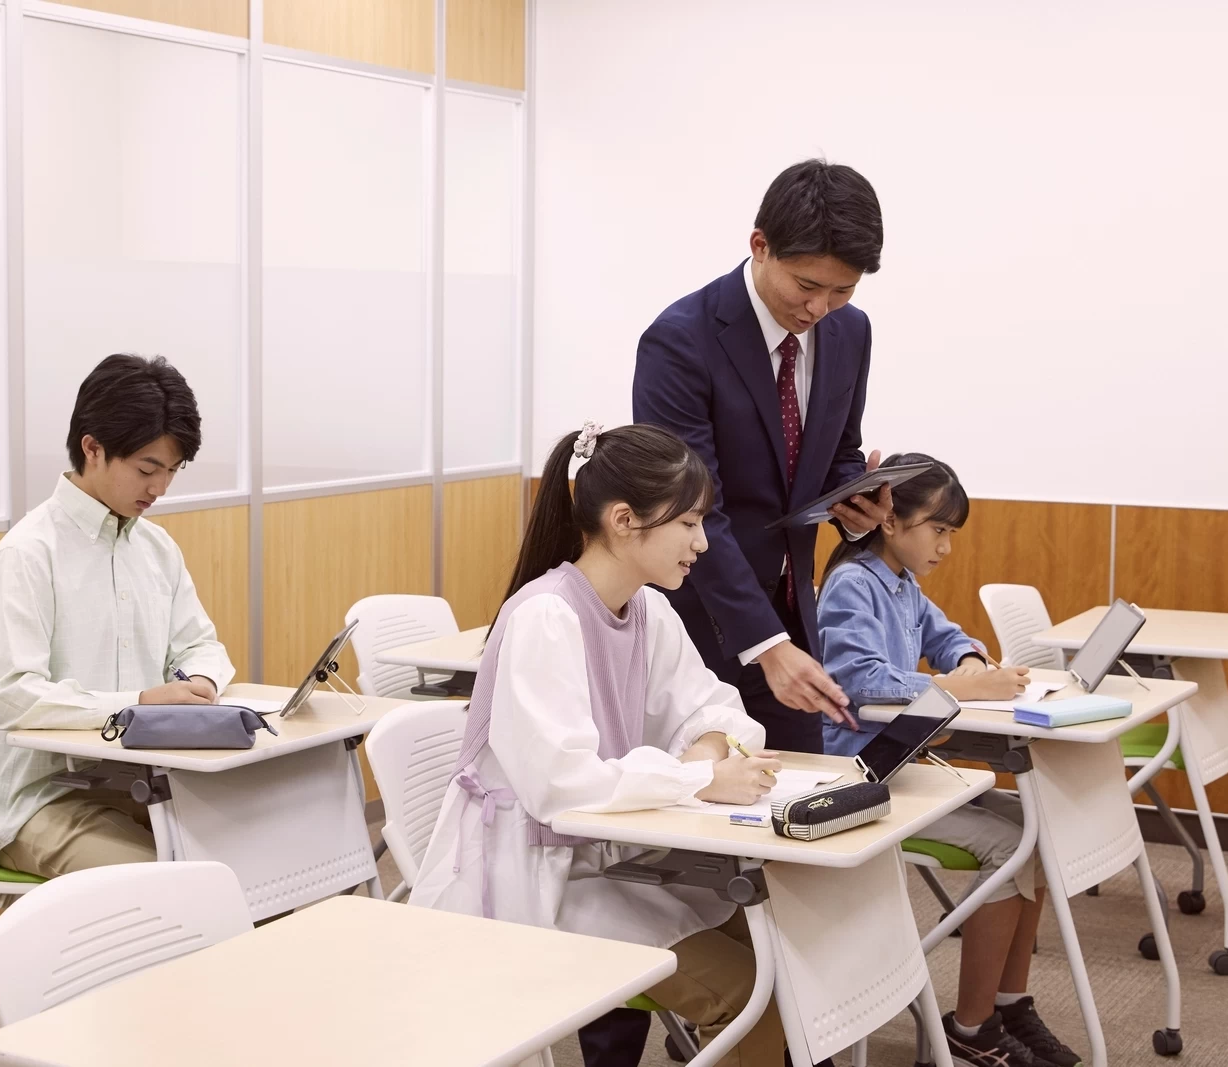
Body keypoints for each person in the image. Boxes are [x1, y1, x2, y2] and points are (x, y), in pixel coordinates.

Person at [410, 421, 786, 1067]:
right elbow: (564, 788)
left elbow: (715, 705)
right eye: (689, 523)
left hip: (608, 859)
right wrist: (696, 777)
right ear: (622, 519)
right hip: (540, 879)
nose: (701, 542)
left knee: (784, 949)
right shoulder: (544, 617)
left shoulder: (648, 608)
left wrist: (704, 755)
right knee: (754, 992)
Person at [816, 453, 1079, 1067]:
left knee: (1036, 835)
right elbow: (861, 680)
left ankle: (1008, 1004)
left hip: (911, 765)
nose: (945, 548)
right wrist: (964, 689)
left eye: (950, 535)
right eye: (938, 530)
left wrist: (967, 665)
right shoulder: (854, 583)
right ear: (890, 521)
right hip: (868, 776)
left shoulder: (903, 585)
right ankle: (969, 1028)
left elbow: (952, 638)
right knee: (1007, 846)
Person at [633, 158, 892, 758]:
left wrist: (854, 496)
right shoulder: (680, 341)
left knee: (801, 803)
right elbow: (693, 511)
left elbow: (835, 454)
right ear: (760, 246)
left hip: (791, 615)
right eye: (806, 285)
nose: (820, 308)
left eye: (843, 289)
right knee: (703, 817)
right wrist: (767, 644)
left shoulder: (850, 332)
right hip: (696, 623)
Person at [0, 353, 233, 879]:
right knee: (185, 883)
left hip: (143, 780)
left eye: (171, 471)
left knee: (263, 854)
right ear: (92, 448)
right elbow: (12, 696)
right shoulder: (27, 555)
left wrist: (199, 680)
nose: (159, 489)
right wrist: (138, 703)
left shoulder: (156, 548)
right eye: (147, 469)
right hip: (40, 804)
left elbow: (200, 645)